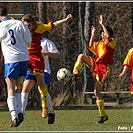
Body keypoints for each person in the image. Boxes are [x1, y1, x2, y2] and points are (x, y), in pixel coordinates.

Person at [21, 13, 72, 118]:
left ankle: (47, 110)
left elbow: (54, 25)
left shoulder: (43, 34)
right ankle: (20, 113)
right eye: (25, 25)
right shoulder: (23, 30)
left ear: (33, 25)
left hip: (40, 64)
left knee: (41, 87)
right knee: (25, 88)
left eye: (28, 26)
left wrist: (65, 20)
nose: (26, 28)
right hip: (28, 59)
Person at [72, 14, 116, 124]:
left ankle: (103, 115)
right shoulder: (100, 44)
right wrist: (93, 34)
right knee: (81, 56)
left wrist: (102, 24)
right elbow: (90, 45)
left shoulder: (111, 42)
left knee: (96, 91)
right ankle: (75, 74)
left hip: (104, 69)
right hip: (96, 64)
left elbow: (108, 36)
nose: (103, 36)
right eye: (101, 35)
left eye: (104, 35)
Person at [0, 5, 31, 127]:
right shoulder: (19, 23)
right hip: (23, 58)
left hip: (11, 60)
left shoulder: (1, 26)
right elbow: (28, 40)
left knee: (10, 88)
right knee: (17, 86)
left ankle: (14, 116)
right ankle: (20, 112)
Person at [21, 36, 60, 124]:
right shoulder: (25, 41)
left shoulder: (46, 42)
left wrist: (47, 53)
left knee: (42, 89)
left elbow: (56, 54)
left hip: (43, 70)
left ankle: (50, 112)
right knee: (25, 89)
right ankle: (21, 114)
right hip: (30, 70)